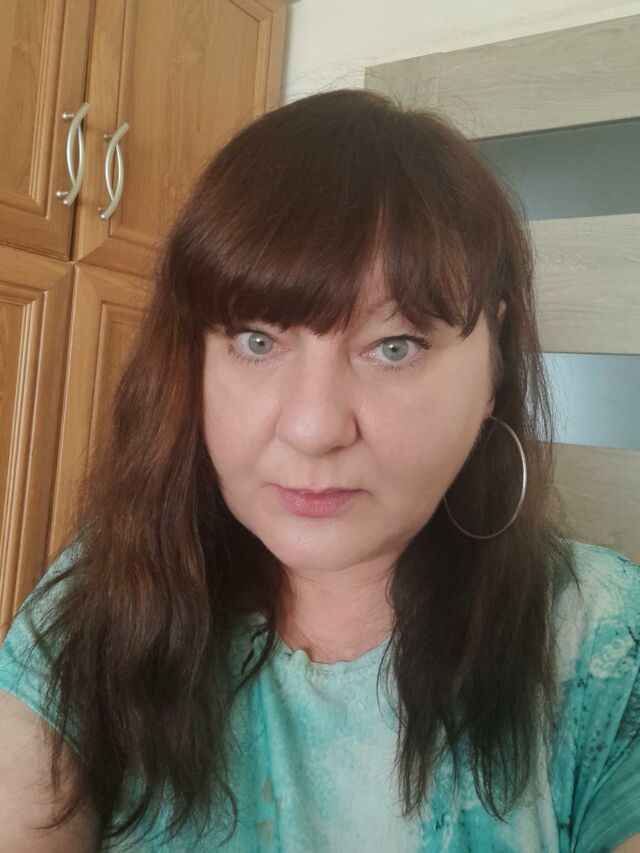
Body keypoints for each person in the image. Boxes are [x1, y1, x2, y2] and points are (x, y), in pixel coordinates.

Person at [0, 88, 638, 853]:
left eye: (394, 346)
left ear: (493, 363)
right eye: (257, 341)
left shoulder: (603, 646)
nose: (312, 427)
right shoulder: (108, 592)